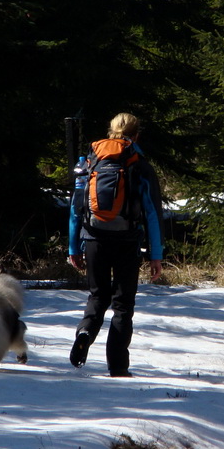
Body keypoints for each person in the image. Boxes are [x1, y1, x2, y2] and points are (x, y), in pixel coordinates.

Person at [67, 112, 164, 377]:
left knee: (98, 296)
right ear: (136, 135)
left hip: (94, 239)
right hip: (127, 241)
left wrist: (73, 247)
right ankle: (118, 366)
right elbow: (153, 213)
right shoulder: (140, 164)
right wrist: (156, 254)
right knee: (123, 305)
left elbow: (76, 209)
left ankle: (85, 331)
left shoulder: (89, 161)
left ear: (110, 131)